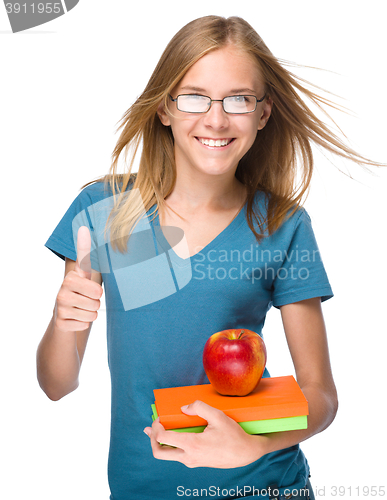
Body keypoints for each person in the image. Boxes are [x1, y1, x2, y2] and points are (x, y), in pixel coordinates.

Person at [36, 15, 380, 500]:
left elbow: (321, 396)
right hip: (143, 488)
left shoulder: (284, 225)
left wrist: (253, 447)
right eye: (194, 97)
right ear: (164, 108)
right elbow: (57, 385)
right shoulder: (102, 214)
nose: (216, 119)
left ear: (262, 113)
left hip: (266, 487)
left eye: (238, 99)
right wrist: (63, 321)